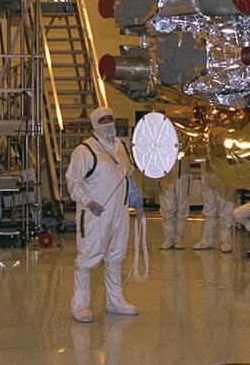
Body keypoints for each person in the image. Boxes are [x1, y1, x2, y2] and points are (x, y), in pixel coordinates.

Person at [67, 107, 141, 322]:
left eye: (111, 118)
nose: (108, 123)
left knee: (116, 256)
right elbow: (73, 181)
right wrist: (89, 202)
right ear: (94, 124)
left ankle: (115, 301)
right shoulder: (85, 150)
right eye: (103, 120)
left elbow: (128, 175)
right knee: (88, 257)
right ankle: (80, 305)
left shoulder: (120, 146)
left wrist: (136, 200)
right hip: (95, 214)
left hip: (120, 211)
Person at [194, 162, 236, 252]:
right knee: (209, 211)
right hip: (207, 174)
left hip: (225, 174)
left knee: (226, 210)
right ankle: (207, 241)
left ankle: (226, 241)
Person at [158, 154, 190, 250]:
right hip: (165, 172)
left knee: (182, 207)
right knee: (167, 207)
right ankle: (168, 238)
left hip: (183, 173)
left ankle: (179, 238)